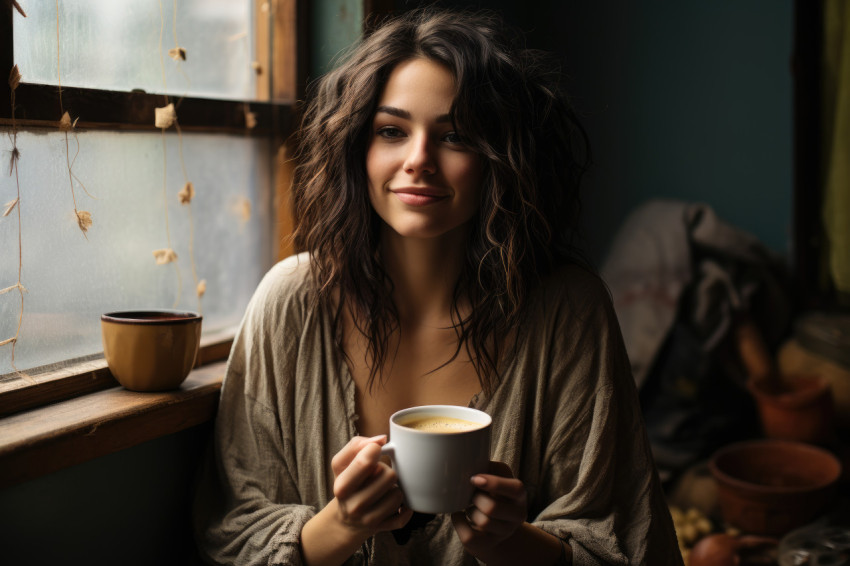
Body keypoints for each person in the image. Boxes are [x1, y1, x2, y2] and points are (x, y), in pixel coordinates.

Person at [194, 8, 683, 566]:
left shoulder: (569, 311)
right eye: (391, 131)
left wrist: (509, 540)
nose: (419, 160)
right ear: (358, 146)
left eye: (456, 136)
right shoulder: (291, 302)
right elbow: (232, 536)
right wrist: (342, 523)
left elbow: (623, 544)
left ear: (500, 158)